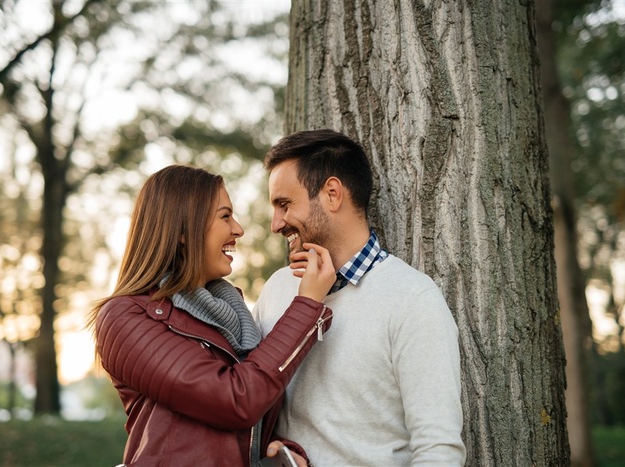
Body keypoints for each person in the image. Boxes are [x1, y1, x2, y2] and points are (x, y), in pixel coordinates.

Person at [87, 164, 336, 467]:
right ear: (182, 230)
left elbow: (235, 421)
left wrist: (276, 450)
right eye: (225, 216)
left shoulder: (230, 316)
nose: (238, 230)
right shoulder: (126, 317)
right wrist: (307, 304)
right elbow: (237, 400)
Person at [253, 129, 466, 466]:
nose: (276, 224)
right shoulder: (277, 290)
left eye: (284, 204)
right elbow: (249, 403)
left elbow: (438, 449)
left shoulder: (412, 300)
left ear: (332, 194)